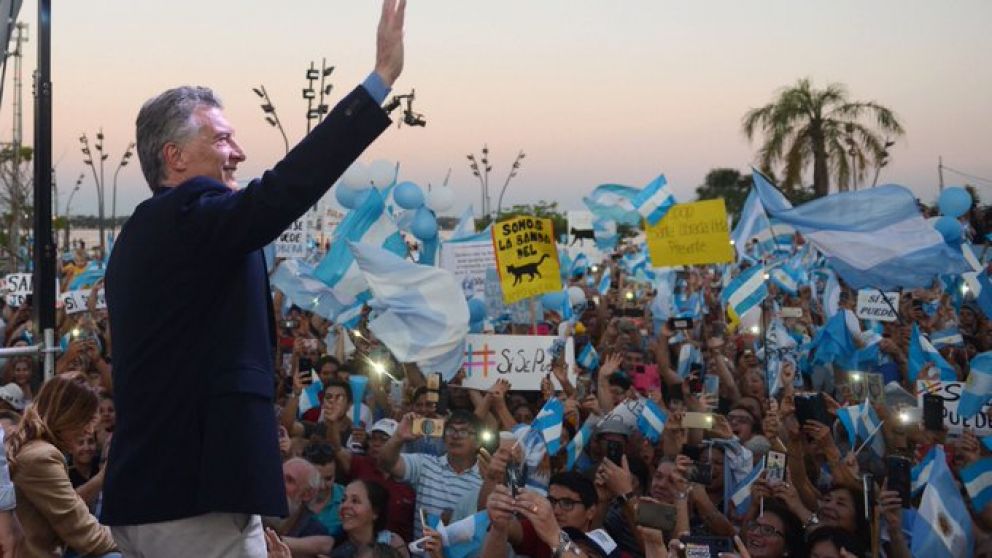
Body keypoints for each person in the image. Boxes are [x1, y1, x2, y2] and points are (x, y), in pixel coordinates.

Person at [101, 2, 406, 556]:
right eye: (220, 139)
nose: (238, 151)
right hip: (193, 500)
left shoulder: (145, 237)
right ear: (174, 157)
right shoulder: (192, 213)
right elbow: (282, 192)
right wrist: (378, 83)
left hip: (163, 497)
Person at [5, 372, 118, 557]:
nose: (89, 430)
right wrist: (136, 542)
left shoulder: (33, 449)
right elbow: (86, 535)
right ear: (68, 416)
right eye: (87, 420)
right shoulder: (41, 457)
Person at [377, 410, 483, 541]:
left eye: (463, 432)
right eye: (450, 430)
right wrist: (398, 437)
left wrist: (457, 522)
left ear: (478, 441)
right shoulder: (426, 464)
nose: (455, 436)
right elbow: (385, 463)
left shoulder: (484, 478)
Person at [268, 458, 335, 557]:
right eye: (278, 476)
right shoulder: (256, 512)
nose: (278, 484)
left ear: (307, 495)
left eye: (289, 480)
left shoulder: (315, 532)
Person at [329, 480, 408, 557]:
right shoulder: (335, 549)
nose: (345, 505)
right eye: (343, 500)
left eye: (355, 501)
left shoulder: (393, 543)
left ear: (375, 512)